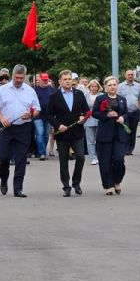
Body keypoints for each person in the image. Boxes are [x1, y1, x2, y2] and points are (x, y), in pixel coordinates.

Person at [0, 64, 39, 198]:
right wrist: (1, 117)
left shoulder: (30, 91)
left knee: (21, 158)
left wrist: (31, 114)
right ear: (12, 76)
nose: (18, 80)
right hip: (6, 127)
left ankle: (18, 188)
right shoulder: (2, 90)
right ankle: (4, 179)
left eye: (21, 78)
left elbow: (37, 109)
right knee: (4, 157)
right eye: (16, 77)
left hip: (23, 127)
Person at [45, 69, 90, 197]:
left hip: (77, 131)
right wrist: (58, 125)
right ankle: (66, 186)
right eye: (65, 79)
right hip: (62, 133)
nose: (68, 81)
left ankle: (76, 182)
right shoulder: (54, 96)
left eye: (69, 79)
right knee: (63, 160)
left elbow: (86, 111)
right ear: (59, 81)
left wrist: (83, 118)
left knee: (80, 157)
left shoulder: (79, 94)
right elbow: (48, 115)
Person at [92, 76, 129, 195]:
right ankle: (108, 185)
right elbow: (95, 113)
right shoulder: (100, 99)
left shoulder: (122, 99)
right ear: (105, 87)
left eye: (114, 85)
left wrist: (123, 118)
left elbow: (126, 113)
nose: (112, 87)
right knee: (105, 161)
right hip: (105, 134)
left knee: (119, 159)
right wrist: (106, 115)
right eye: (110, 85)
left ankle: (117, 180)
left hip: (119, 134)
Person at [116, 69, 140, 155]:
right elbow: (117, 98)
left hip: (135, 112)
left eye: (132, 74)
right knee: (126, 130)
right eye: (129, 74)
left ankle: (131, 148)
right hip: (124, 112)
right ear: (125, 76)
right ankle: (125, 148)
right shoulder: (120, 86)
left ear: (133, 76)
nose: (130, 76)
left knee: (133, 131)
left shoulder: (138, 86)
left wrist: (139, 108)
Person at [32, 73, 55, 160]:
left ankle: (41, 150)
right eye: (43, 80)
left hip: (49, 116)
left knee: (46, 135)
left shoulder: (52, 90)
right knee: (40, 133)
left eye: (46, 80)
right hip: (38, 115)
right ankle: (42, 153)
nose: (45, 81)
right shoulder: (34, 90)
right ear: (39, 80)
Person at [83, 79, 101, 166]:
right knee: (90, 140)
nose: (94, 88)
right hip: (89, 120)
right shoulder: (85, 96)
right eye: (92, 86)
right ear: (89, 87)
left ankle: (99, 156)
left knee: (99, 139)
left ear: (98, 87)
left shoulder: (101, 95)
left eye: (95, 86)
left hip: (99, 120)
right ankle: (93, 158)